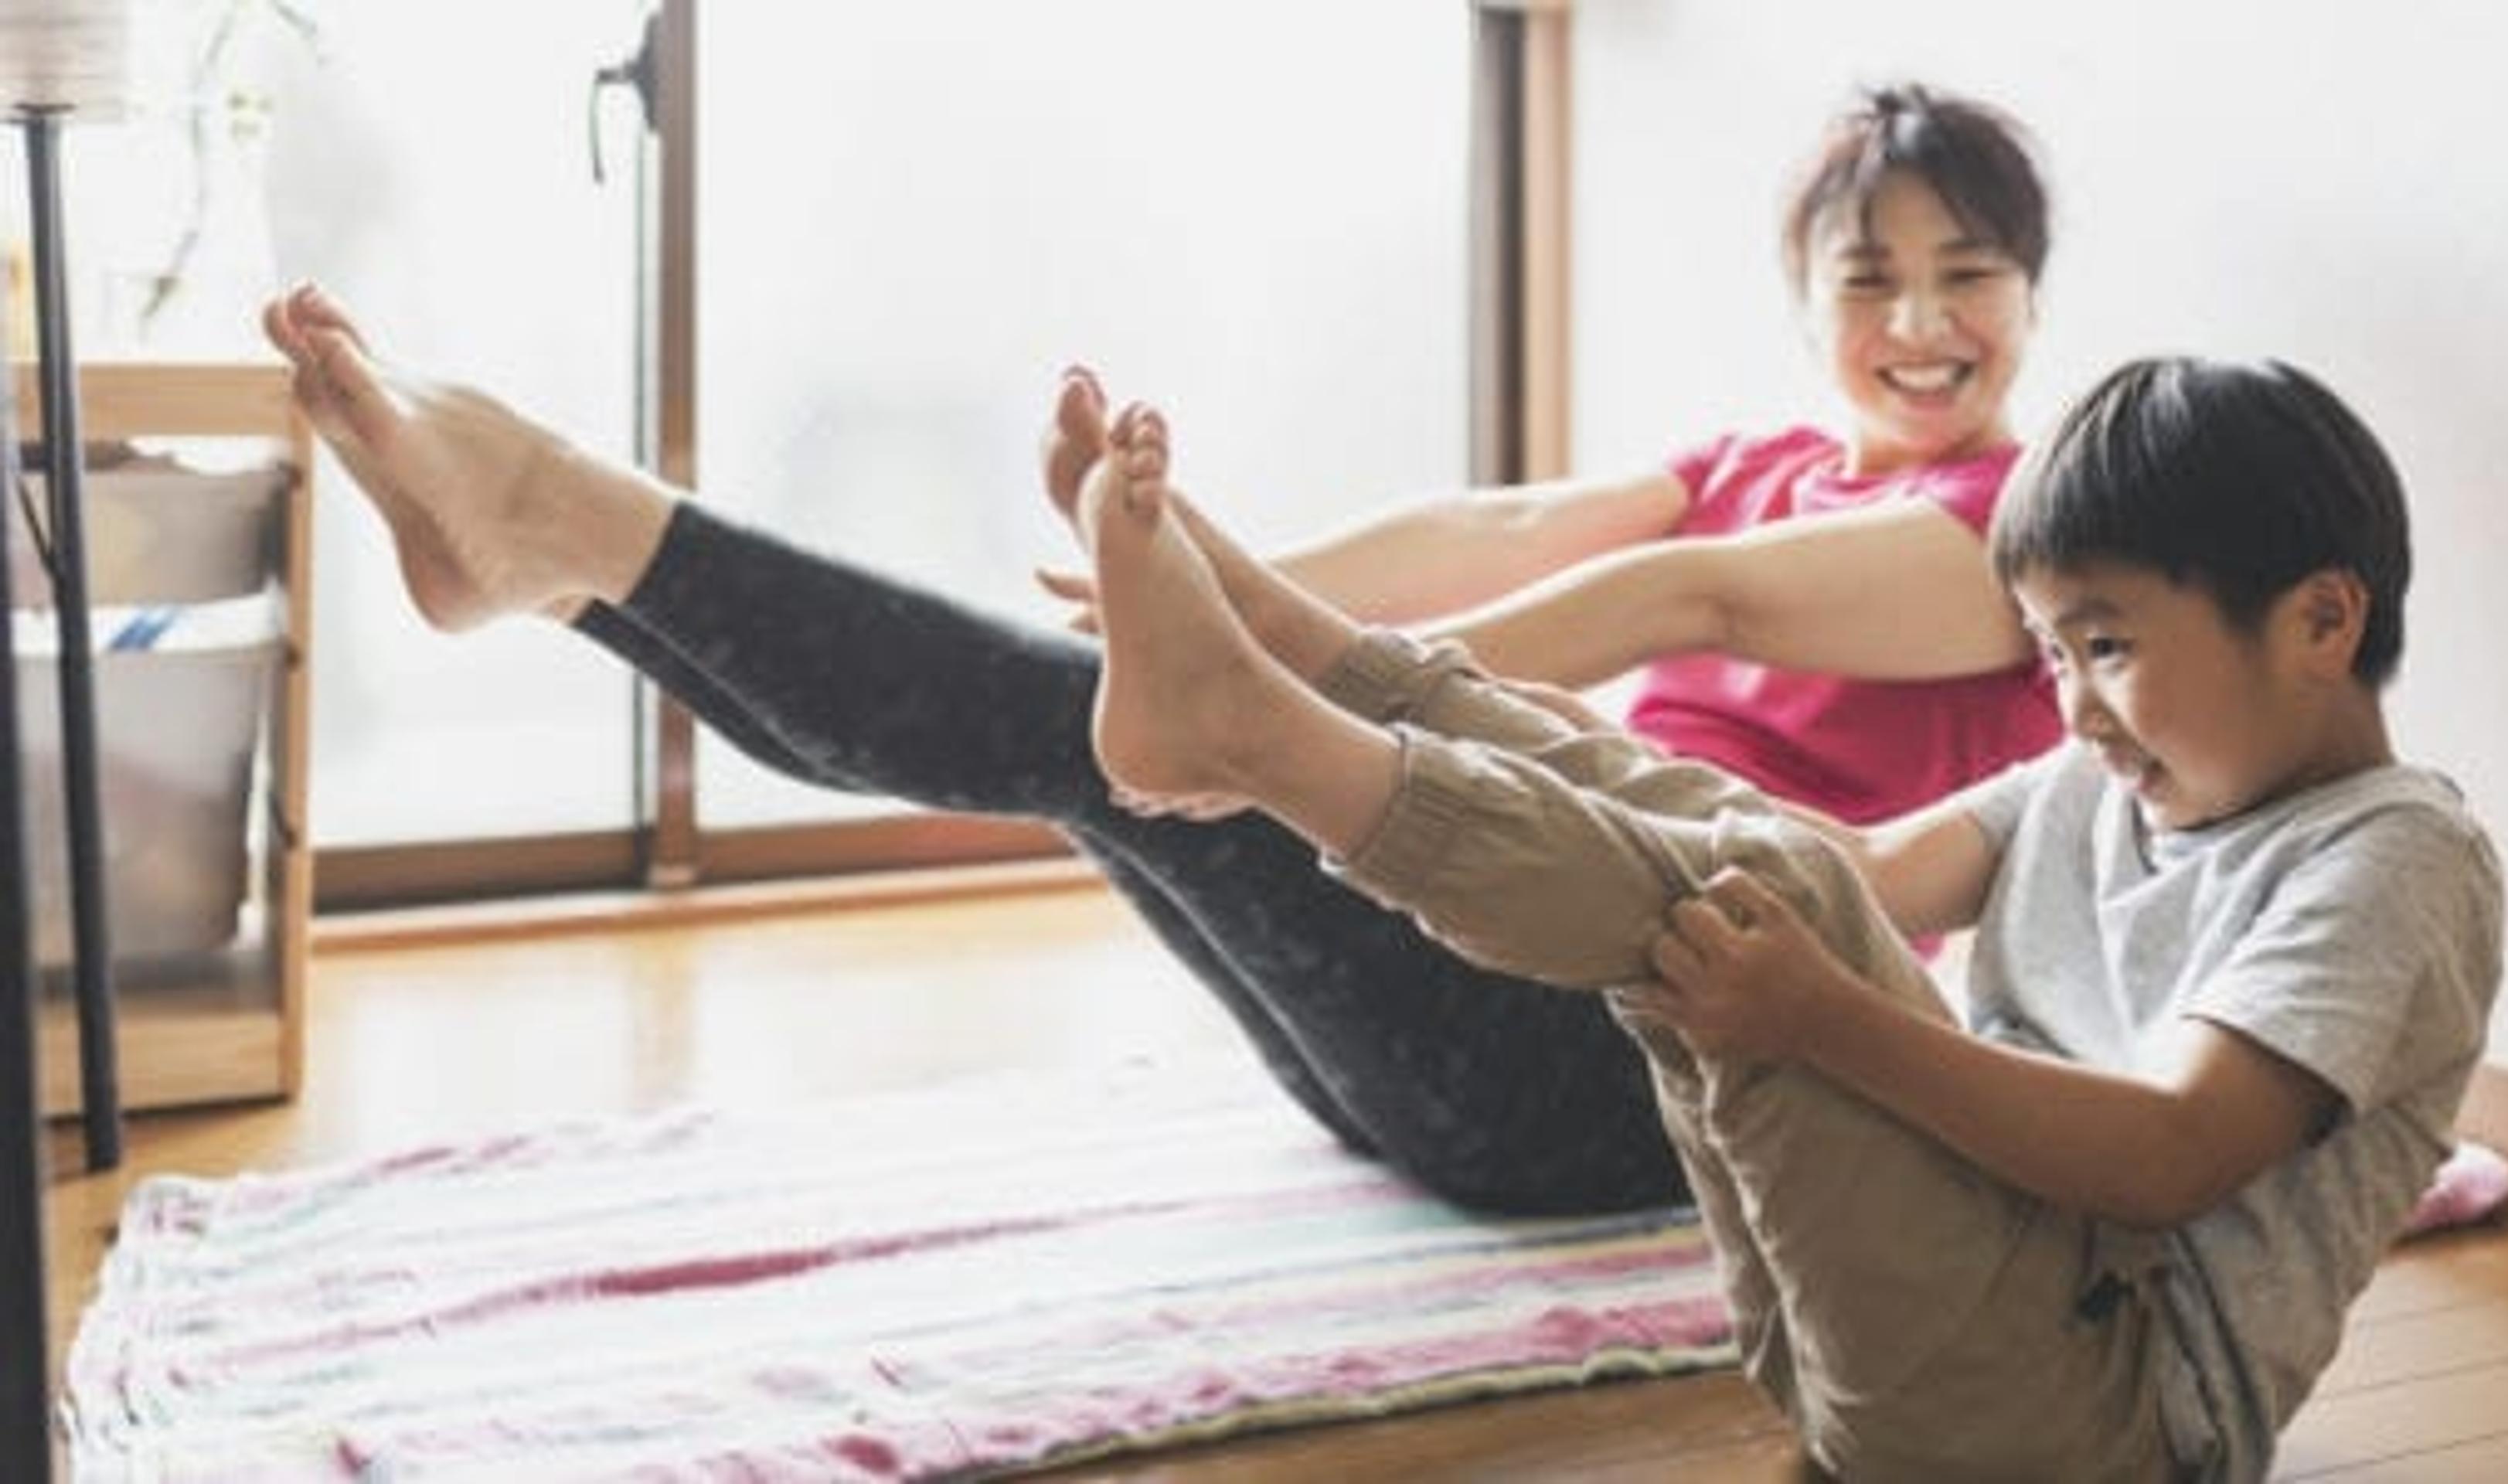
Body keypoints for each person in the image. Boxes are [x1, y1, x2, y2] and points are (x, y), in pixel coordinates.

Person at [257, 81, 2064, 1217]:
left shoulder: (2016, 534)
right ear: (1807, 301)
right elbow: (1498, 527)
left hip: (1666, 1083)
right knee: (1103, 755)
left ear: (2029, 296)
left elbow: (1704, 601)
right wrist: (1223, 565)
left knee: (1098, 735)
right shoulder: (1747, 464)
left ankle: (564, 532)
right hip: (1497, 1012)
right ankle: (566, 565)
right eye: (1866, 278)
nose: (1917, 321)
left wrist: (1308, 674)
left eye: (1966, 273)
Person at [1053, 358, 2503, 1480]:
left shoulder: (2395, 861)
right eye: (2054, 651)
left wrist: (1826, 1018)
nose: (2071, 704)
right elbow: (1857, 871)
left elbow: (2167, 1156)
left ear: (2320, 623)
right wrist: (1574, 746)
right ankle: (1294, 657)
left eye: (2108, 647)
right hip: (1872, 1341)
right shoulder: (2093, 778)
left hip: (2091, 1424)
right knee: (1741, 842)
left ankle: (1263, 737)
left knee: (1774, 903)